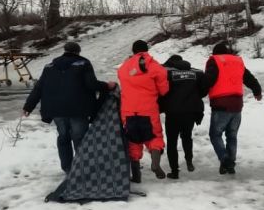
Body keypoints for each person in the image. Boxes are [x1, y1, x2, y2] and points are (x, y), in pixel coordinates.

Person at [23, 41, 115, 173]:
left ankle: (67, 168)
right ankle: (82, 168)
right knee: (80, 138)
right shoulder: (83, 64)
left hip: (56, 109)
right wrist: (107, 86)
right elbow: (91, 84)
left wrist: (28, 106)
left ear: (65, 51)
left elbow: (39, 88)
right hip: (78, 108)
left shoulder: (49, 66)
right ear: (78, 52)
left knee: (63, 137)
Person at [204, 42, 262, 175]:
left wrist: (200, 91)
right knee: (232, 135)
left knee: (215, 134)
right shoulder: (237, 62)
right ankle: (230, 165)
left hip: (221, 104)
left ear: (215, 53)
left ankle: (225, 159)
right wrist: (257, 91)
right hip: (237, 105)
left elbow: (209, 80)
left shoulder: (216, 62)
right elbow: (249, 78)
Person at [117, 40, 170, 182]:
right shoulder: (154, 66)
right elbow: (164, 90)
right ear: (146, 50)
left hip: (128, 110)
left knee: (133, 140)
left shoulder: (123, 68)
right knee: (154, 136)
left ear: (133, 51)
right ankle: (155, 164)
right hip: (148, 108)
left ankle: (136, 175)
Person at [160, 55, 208, 179]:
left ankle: (174, 171)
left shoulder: (167, 73)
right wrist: (195, 98)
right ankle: (189, 160)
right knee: (187, 136)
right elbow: (204, 88)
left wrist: (161, 106)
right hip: (190, 111)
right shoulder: (196, 72)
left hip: (173, 112)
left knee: (172, 141)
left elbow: (161, 91)